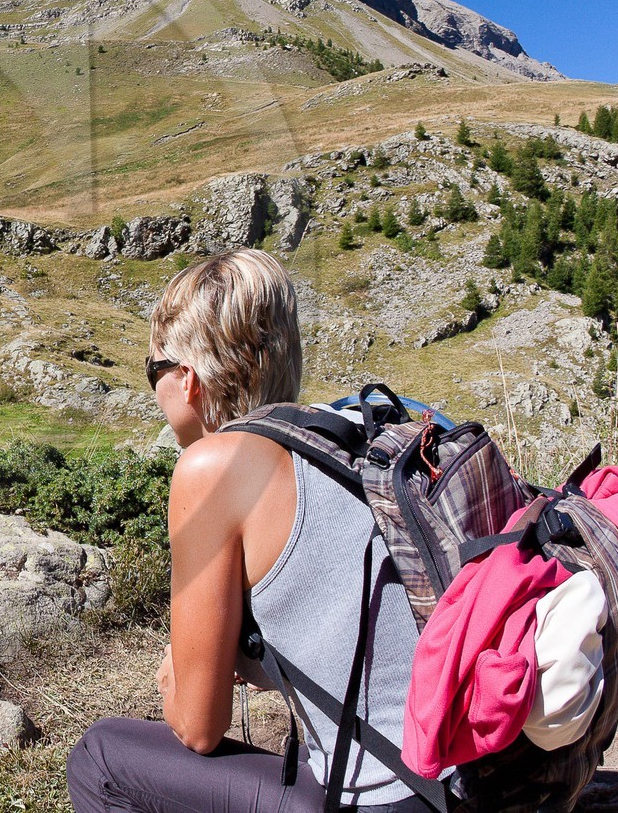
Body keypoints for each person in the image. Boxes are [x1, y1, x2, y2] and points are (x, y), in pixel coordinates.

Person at [68, 249, 435, 813]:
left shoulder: (213, 466)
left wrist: (175, 677)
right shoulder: (349, 435)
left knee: (100, 759)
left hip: (396, 797)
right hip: (488, 772)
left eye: (153, 370)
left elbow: (198, 727)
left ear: (188, 379)